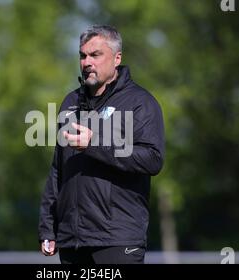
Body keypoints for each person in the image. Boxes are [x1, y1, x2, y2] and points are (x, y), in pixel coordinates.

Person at [38, 25, 165, 264]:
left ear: (117, 58)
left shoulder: (140, 103)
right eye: (83, 55)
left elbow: (152, 159)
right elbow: (58, 169)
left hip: (118, 239)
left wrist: (94, 143)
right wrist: (48, 226)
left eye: (95, 55)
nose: (87, 62)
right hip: (72, 240)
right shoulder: (70, 102)